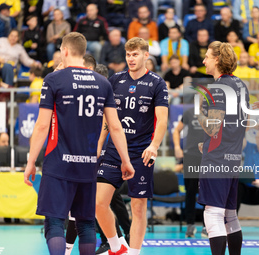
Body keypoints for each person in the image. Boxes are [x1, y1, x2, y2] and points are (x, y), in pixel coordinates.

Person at [23, 32, 135, 255]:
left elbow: (42, 126)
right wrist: (126, 160)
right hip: (88, 164)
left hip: (58, 162)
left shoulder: (53, 80)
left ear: (64, 51)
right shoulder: (103, 83)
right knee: (85, 223)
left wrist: (31, 161)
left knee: (54, 223)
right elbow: (115, 127)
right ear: (83, 53)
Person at [95, 37, 169, 255]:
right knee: (98, 203)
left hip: (141, 151)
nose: (131, 58)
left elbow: (162, 120)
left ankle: (134, 253)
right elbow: (106, 121)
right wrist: (98, 147)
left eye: (135, 54)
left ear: (146, 55)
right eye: (128, 54)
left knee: (138, 207)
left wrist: (154, 145)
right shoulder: (115, 80)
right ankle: (117, 247)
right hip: (114, 150)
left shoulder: (157, 83)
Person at [197, 41, 249, 255]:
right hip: (233, 156)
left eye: (207, 56)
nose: (204, 60)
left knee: (213, 214)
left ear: (217, 59)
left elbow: (212, 127)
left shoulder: (217, 88)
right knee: (230, 214)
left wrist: (198, 111)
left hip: (217, 158)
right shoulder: (240, 85)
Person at [173, 107, 204, 237]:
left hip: (208, 157)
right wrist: (177, 147)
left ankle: (207, 226)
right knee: (190, 192)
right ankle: (190, 225)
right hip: (191, 156)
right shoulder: (190, 112)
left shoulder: (217, 113)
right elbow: (177, 130)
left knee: (207, 192)